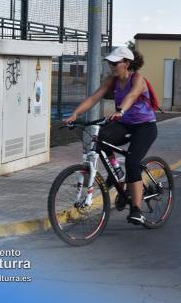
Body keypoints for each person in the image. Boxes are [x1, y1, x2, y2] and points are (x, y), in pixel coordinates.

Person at [64, 46, 157, 225]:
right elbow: (94, 98)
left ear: (127, 63)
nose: (112, 66)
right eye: (110, 62)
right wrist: (75, 114)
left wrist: (121, 110)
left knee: (132, 162)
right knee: (101, 139)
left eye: (116, 62)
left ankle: (137, 210)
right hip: (124, 124)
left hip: (145, 126)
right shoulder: (111, 80)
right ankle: (117, 172)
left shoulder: (137, 79)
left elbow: (132, 95)